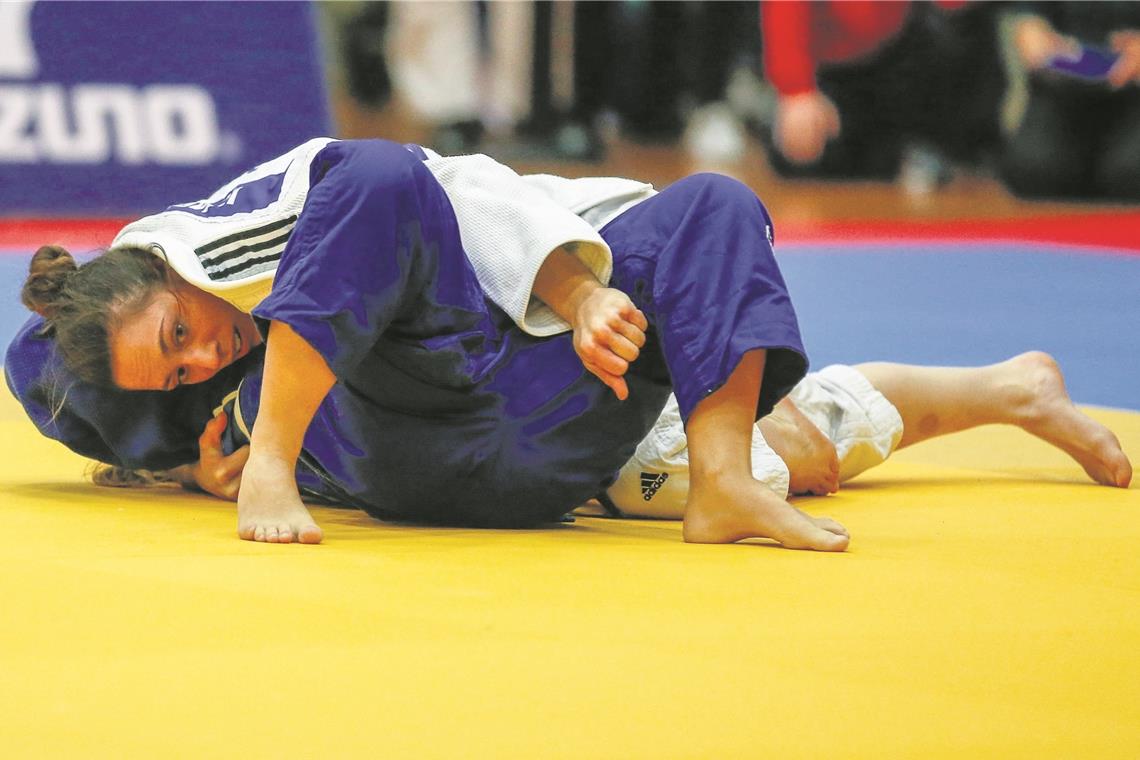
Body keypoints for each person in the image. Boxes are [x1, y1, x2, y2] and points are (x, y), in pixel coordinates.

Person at [15, 137, 849, 551]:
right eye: (178, 375)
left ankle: (725, 484)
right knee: (377, 182)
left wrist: (583, 293)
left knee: (714, 205)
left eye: (181, 334)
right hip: (401, 437)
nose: (203, 359)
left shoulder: (232, 226)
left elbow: (456, 188)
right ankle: (271, 464)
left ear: (166, 265)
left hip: (540, 426)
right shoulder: (188, 369)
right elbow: (28, 359)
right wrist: (185, 470)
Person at [1000, 3, 1140, 200]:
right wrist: (1030, 25)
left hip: (1134, 97)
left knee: (1130, 172)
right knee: (1035, 169)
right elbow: (1028, 16)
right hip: (1061, 92)